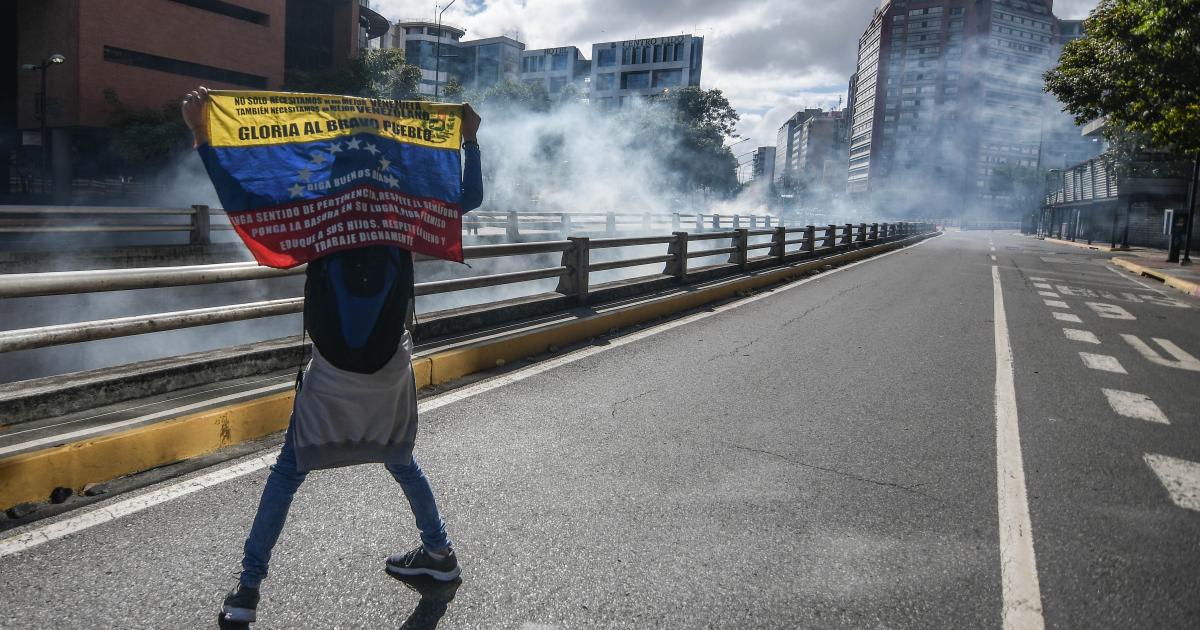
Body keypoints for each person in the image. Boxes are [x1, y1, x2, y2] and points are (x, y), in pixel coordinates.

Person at [181, 87, 483, 628]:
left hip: (331, 371)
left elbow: (244, 197)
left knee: (288, 473)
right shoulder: (401, 215)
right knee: (400, 458)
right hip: (390, 366)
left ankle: (247, 591)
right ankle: (438, 554)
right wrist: (470, 142)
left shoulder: (319, 217)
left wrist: (203, 135)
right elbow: (467, 199)